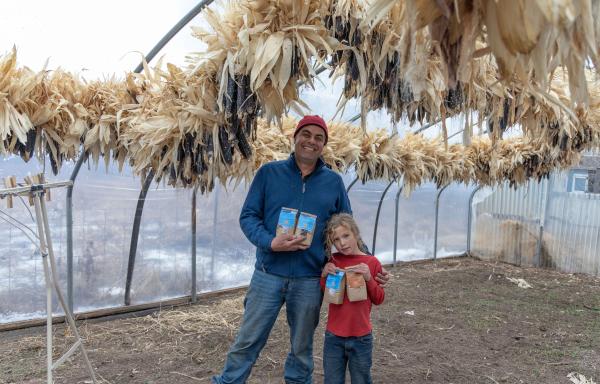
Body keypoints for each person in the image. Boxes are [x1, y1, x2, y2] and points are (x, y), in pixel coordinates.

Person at [212, 115, 389, 384]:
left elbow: (347, 229)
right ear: (295, 137)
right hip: (268, 274)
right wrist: (270, 242)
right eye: (306, 134)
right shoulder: (269, 173)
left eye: (319, 138)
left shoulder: (333, 182)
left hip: (309, 279)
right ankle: (229, 381)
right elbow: (248, 216)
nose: (311, 141)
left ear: (324, 145)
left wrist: (373, 265)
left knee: (301, 348)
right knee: (247, 341)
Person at [320, 213, 385, 384]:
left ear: (356, 233)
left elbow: (379, 298)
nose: (342, 243)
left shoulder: (371, 262)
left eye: (346, 235)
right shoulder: (333, 261)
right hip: (333, 337)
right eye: (336, 239)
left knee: (361, 380)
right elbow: (325, 293)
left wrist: (369, 278)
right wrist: (324, 274)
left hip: (361, 338)